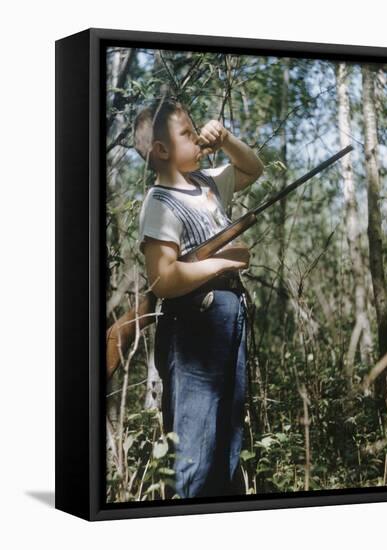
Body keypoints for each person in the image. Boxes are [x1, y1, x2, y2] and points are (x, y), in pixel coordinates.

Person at [134, 97, 264, 498]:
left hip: (229, 320)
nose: (197, 138)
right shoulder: (159, 202)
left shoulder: (207, 183)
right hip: (194, 324)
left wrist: (224, 138)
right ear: (161, 150)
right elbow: (164, 280)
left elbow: (253, 168)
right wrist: (221, 265)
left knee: (227, 440)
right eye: (187, 133)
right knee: (194, 450)